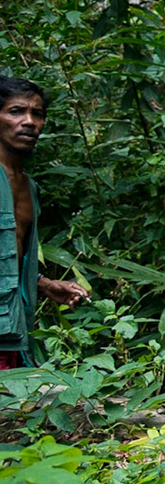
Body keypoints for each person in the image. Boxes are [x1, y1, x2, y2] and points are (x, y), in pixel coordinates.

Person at [0, 75, 91, 368]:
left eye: (36, 114)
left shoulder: (30, 187)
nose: (29, 121)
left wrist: (43, 283)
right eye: (16, 111)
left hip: (12, 328)